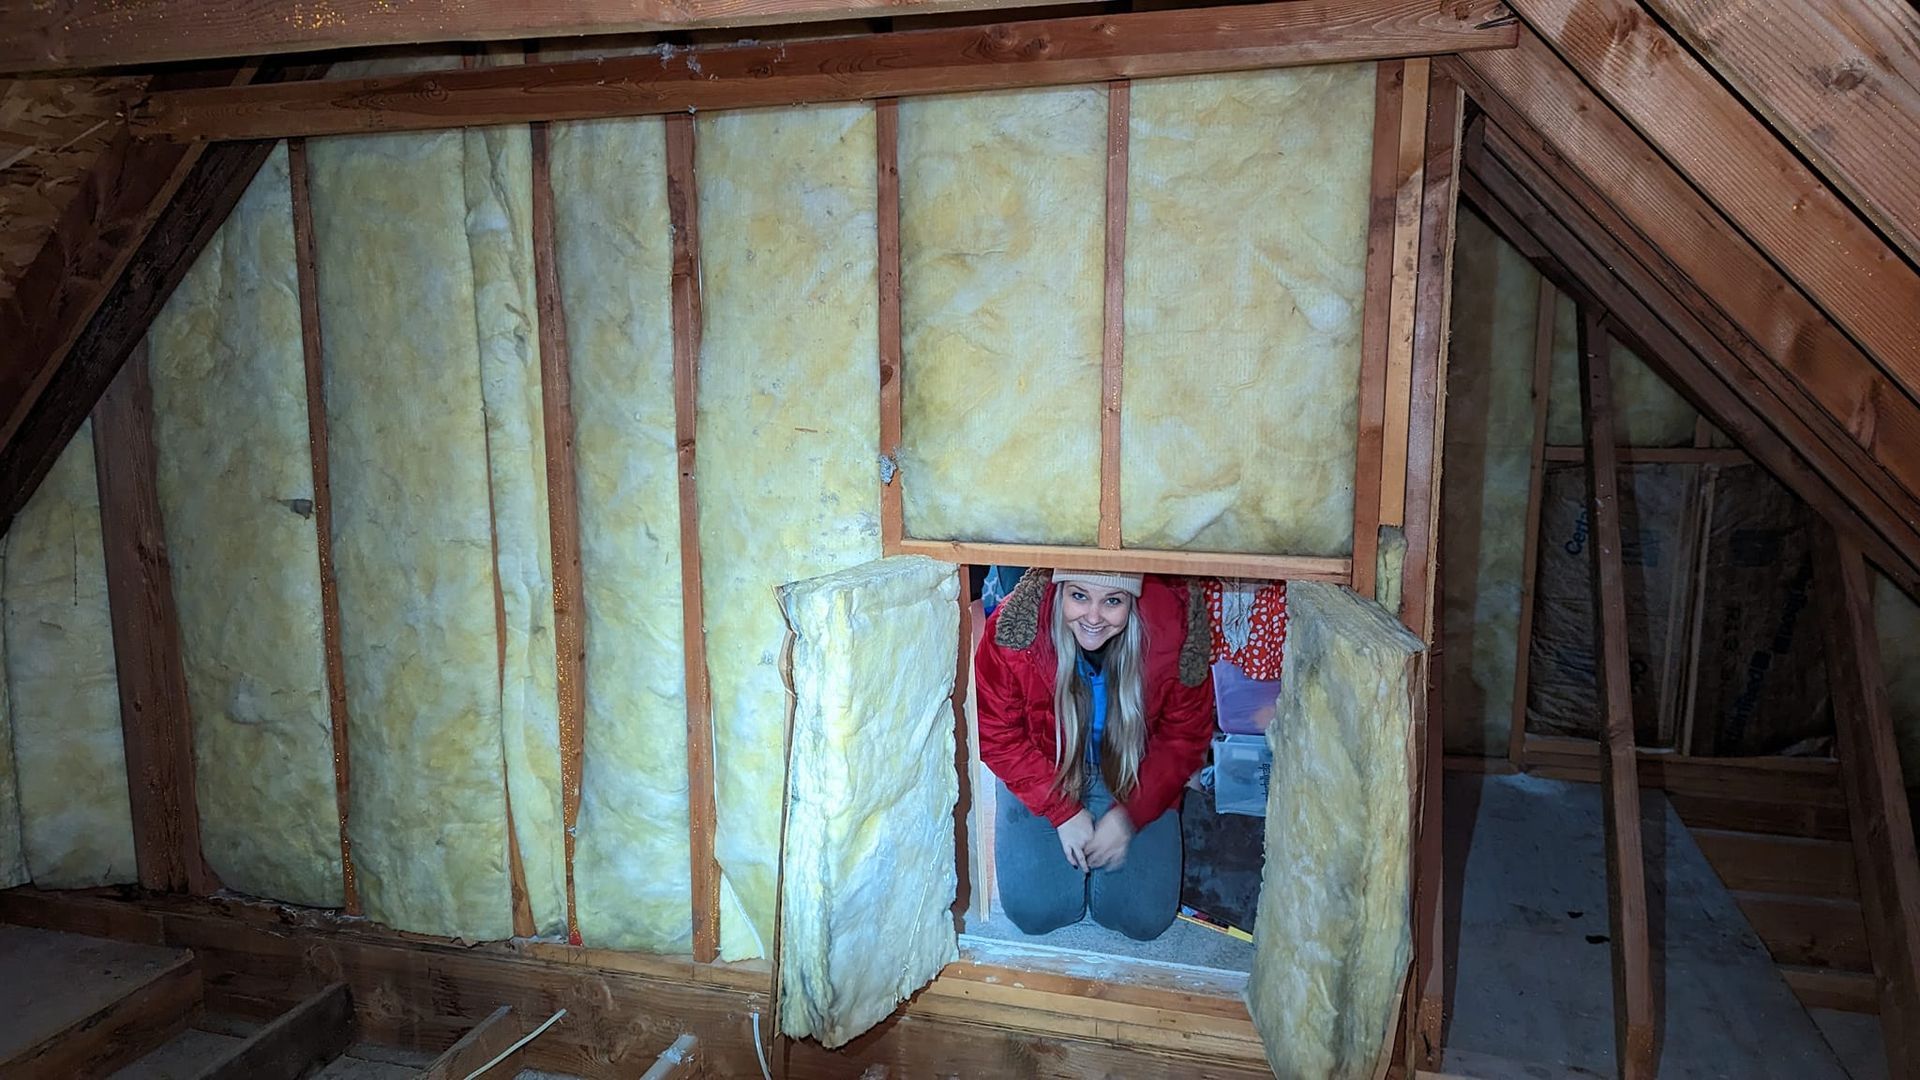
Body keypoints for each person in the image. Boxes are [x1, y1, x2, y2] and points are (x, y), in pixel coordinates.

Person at [974, 568, 1215, 940]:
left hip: (1132, 768)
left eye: (1113, 601)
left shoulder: (1178, 631)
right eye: (1079, 596)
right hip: (1044, 764)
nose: (1092, 616)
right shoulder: (1014, 630)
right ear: (1060, 590)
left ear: (1132, 600)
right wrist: (1060, 810)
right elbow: (995, 733)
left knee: (1143, 919)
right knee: (1035, 912)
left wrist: (1131, 815)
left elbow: (1184, 735)